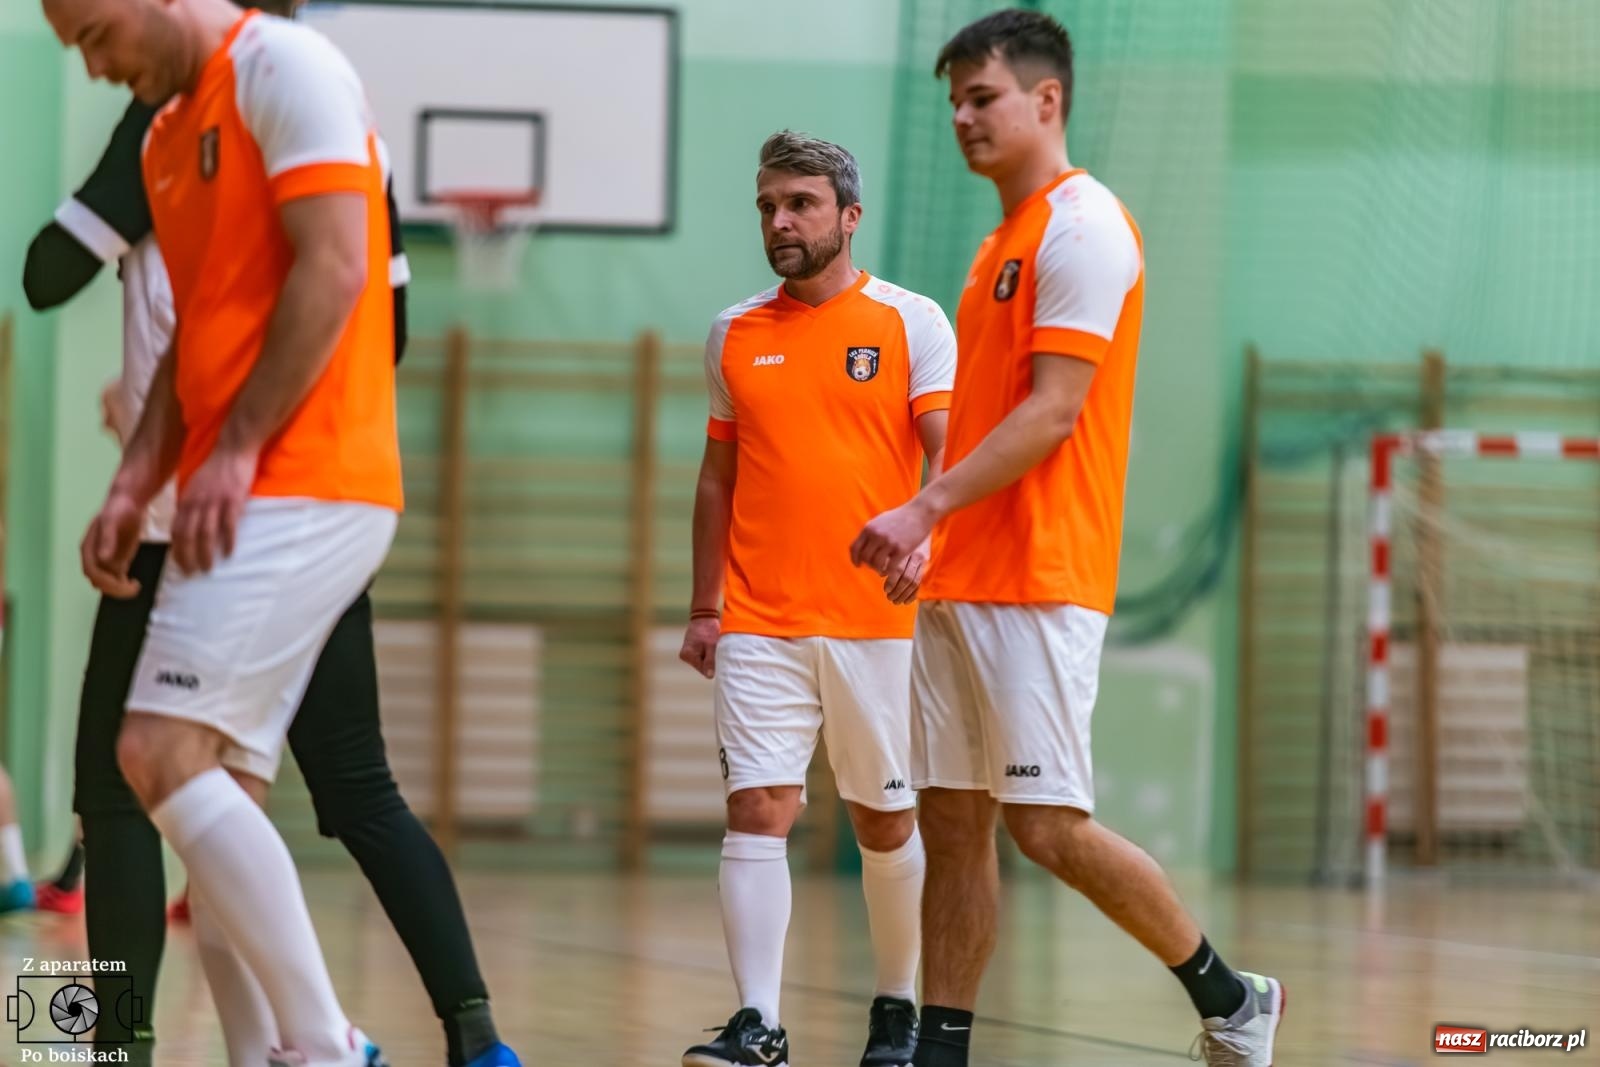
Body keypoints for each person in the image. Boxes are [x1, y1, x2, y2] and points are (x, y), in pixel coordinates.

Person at [25, 2, 519, 1064]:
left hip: (307, 482)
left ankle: (333, 1040)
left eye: (94, 35)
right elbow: (191, 342)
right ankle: (260, 1051)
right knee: (210, 796)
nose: (94, 66)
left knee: (170, 757)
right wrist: (133, 483)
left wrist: (240, 445)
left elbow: (340, 272)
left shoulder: (286, 69)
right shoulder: (165, 135)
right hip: (222, 494)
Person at [850, 10, 1285, 1066]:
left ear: (1046, 100)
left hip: (1041, 578)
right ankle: (942, 1048)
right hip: (965, 576)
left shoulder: (1082, 226)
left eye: (982, 97)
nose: (961, 118)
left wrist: (920, 507)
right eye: (951, 100)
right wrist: (934, 535)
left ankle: (1233, 995)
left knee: (1044, 825)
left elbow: (1050, 414)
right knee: (953, 821)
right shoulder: (999, 239)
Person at [680, 131, 955, 1067]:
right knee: (758, 805)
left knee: (884, 818)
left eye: (798, 203)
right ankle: (759, 1021)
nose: (779, 221)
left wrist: (929, 541)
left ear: (848, 215)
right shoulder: (734, 333)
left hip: (876, 623)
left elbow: (946, 457)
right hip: (759, 617)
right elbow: (717, 476)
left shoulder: (912, 323)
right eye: (766, 206)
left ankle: (896, 1005)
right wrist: (704, 605)